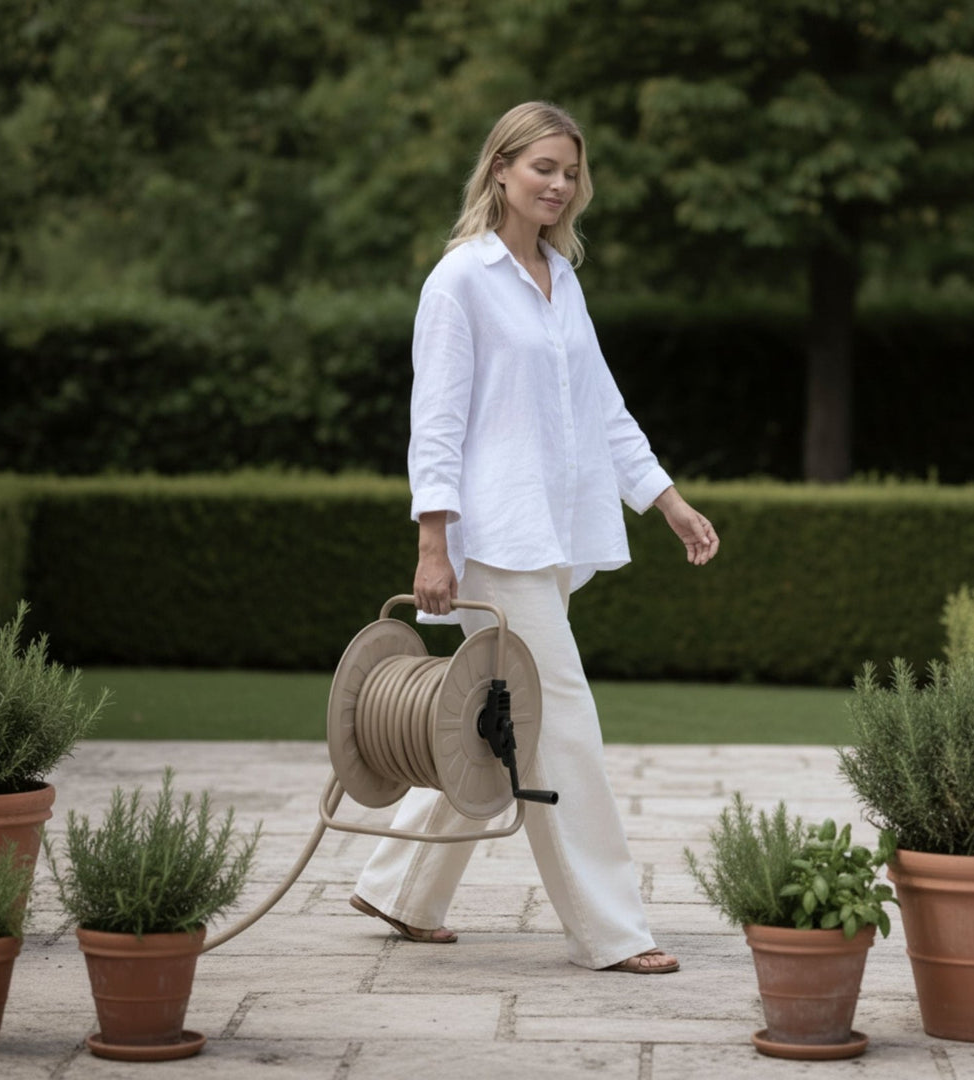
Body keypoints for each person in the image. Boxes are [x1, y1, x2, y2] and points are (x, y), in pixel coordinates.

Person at [348, 101, 719, 974]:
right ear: (502, 169)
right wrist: (431, 542)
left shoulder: (561, 277)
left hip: (550, 536)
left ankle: (398, 889)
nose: (558, 185)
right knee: (562, 722)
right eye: (543, 167)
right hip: (494, 542)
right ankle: (614, 929)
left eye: (570, 172)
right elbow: (433, 423)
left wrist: (666, 499)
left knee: (490, 717)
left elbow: (603, 407)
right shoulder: (460, 281)